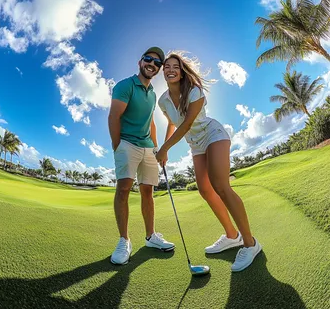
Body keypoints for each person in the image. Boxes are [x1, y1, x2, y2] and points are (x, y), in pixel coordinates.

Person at [155, 52, 262, 272]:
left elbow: (185, 124)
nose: (170, 69)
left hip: (213, 133)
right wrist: (165, 148)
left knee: (220, 185)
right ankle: (232, 236)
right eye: (167, 66)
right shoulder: (163, 100)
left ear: (182, 71)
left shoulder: (195, 91)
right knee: (205, 190)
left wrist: (165, 148)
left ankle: (250, 244)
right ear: (163, 71)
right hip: (196, 145)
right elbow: (172, 125)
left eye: (175, 66)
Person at [108, 47, 175, 265]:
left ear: (158, 69)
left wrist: (157, 149)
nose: (152, 64)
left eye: (157, 63)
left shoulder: (153, 93)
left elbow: (152, 122)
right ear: (140, 62)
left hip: (148, 147)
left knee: (148, 191)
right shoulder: (125, 86)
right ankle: (124, 240)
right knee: (124, 188)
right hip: (127, 143)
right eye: (148, 59)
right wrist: (117, 145)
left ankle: (150, 237)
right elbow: (114, 116)